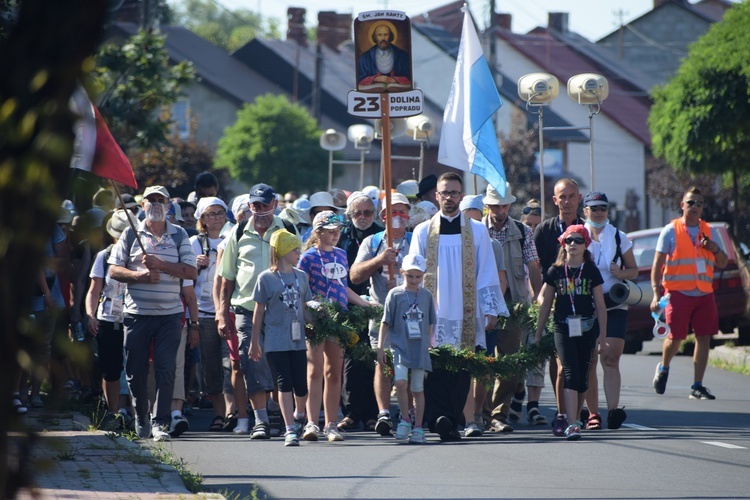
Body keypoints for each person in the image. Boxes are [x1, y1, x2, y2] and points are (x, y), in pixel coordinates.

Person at [410, 172, 507, 441]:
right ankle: (439, 417)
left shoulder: (476, 231)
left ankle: (453, 420)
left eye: (454, 193)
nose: (449, 197)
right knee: (435, 364)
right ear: (436, 196)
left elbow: (487, 269)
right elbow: (413, 268)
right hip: (434, 308)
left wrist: (490, 308)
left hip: (466, 308)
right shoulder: (422, 230)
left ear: (461, 196)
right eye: (445, 192)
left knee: (462, 368)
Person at [108, 185, 197, 441]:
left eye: (161, 200)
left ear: (169, 206)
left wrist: (161, 265)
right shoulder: (130, 234)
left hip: (170, 315)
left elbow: (190, 272)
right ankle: (141, 415)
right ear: (143, 205)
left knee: (166, 368)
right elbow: (114, 270)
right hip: (137, 314)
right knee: (135, 369)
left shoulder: (179, 235)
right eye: (151, 200)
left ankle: (160, 422)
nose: (156, 203)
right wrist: (139, 276)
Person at [218, 183, 295, 440]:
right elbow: (226, 277)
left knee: (278, 362)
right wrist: (221, 312)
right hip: (247, 308)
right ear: (249, 206)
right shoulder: (238, 232)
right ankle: (260, 420)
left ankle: (275, 412)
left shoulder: (286, 229)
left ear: (275, 204)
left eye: (265, 204)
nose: (260, 209)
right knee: (251, 361)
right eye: (255, 205)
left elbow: (298, 269)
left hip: (281, 311)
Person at [298, 211, 371, 442]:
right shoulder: (307, 257)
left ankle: (331, 424)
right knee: (315, 370)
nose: (335, 235)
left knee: (334, 372)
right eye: (330, 231)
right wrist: (312, 309)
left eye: (338, 231)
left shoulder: (341, 255)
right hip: (315, 320)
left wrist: (364, 303)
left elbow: (342, 287)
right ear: (318, 232)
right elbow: (300, 289)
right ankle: (311, 423)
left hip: (339, 320)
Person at [481, 183, 546, 432]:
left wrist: (539, 300)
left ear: (509, 205)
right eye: (495, 205)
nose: (500, 210)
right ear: (487, 206)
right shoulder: (476, 230)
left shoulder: (522, 230)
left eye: (504, 205)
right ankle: (483, 414)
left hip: (514, 305)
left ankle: (499, 414)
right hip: (485, 305)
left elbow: (533, 267)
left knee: (510, 365)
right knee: (485, 362)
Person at [651, 187, 727, 400]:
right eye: (691, 202)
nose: (695, 207)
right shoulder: (670, 230)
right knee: (676, 338)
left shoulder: (709, 231)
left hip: (704, 293)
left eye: (699, 204)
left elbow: (722, 262)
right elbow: (657, 266)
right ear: (682, 205)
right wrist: (657, 294)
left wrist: (714, 248)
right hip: (677, 293)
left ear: (703, 208)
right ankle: (664, 368)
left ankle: (697, 385)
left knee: (704, 338)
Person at [534, 225, 607, 441]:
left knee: (583, 378)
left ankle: (575, 419)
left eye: (578, 240)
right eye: (569, 241)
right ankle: (571, 423)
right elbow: (546, 304)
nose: (573, 244)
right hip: (562, 327)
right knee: (569, 373)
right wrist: (538, 332)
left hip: (586, 328)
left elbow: (601, 306)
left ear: (586, 245)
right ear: (563, 245)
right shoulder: (555, 271)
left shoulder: (591, 271)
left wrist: (602, 335)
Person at [349, 192, 413, 436]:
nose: (398, 217)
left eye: (402, 211)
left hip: (411, 312)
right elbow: (354, 275)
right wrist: (380, 260)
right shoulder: (373, 242)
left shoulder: (416, 239)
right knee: (383, 362)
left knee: (409, 363)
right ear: (384, 216)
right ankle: (384, 412)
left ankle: (409, 413)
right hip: (381, 311)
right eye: (392, 212)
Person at [249, 230, 313, 447]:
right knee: (283, 383)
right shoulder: (265, 278)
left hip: (297, 341)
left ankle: (299, 415)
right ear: (284, 252)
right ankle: (290, 429)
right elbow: (259, 311)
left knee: (301, 385)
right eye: (295, 250)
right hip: (276, 341)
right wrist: (254, 341)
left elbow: (305, 309)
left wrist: (320, 320)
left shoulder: (301, 276)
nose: (299, 253)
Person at [582, 192, 638, 430]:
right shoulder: (576, 235)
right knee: (589, 360)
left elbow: (633, 271)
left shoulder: (618, 236)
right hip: (587, 305)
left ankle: (613, 411)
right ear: (585, 210)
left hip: (614, 303)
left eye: (603, 207)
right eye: (593, 207)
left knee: (610, 357)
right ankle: (593, 413)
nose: (598, 212)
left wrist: (620, 273)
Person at [533, 178, 585, 427]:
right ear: (554, 200)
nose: (566, 201)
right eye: (561, 197)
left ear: (579, 198)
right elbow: (537, 268)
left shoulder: (587, 229)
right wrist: (539, 298)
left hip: (583, 305)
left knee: (583, 362)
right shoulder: (544, 229)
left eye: (571, 196)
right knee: (560, 361)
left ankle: (581, 409)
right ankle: (562, 411)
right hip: (556, 303)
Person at [336, 192, 384, 433]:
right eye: (358, 213)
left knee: (376, 358)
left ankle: (374, 413)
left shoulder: (382, 235)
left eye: (367, 212)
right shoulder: (342, 235)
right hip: (350, 303)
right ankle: (352, 412)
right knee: (353, 360)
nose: (363, 217)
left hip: (378, 303)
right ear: (349, 214)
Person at [458, 193, 505, 436]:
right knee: (462, 365)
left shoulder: (492, 243)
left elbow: (500, 280)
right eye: (467, 216)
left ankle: (477, 413)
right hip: (460, 313)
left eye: (475, 217)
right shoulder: (452, 240)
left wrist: (492, 309)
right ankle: (463, 414)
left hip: (484, 311)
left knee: (483, 367)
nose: (471, 222)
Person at [85, 209, 136, 430]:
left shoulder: (139, 256)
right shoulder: (104, 256)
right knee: (111, 368)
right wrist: (90, 315)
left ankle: (138, 413)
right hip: (108, 317)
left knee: (137, 366)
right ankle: (113, 412)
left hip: (136, 316)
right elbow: (94, 290)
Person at [377, 253, 435, 444]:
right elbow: (386, 322)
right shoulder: (395, 294)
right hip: (400, 347)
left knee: (418, 388)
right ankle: (405, 419)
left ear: (423, 275)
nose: (414, 280)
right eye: (410, 276)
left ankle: (418, 427)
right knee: (401, 383)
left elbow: (430, 322)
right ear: (402, 273)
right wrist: (380, 347)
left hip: (419, 350)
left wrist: (428, 342)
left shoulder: (426, 296)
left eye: (418, 276)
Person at [190, 197, 237, 432]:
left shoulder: (233, 238)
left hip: (230, 310)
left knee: (231, 363)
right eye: (211, 214)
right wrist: (194, 266)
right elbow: (184, 280)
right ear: (202, 219)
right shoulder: (194, 244)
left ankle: (232, 412)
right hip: (204, 311)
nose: (217, 218)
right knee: (210, 365)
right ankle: (218, 413)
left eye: (220, 213)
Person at [357, 23, 412, 91]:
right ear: (375, 37)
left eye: (386, 35)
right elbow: (360, 79)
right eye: (379, 35)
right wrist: (374, 79)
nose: (383, 38)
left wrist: (396, 79)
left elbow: (409, 77)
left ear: (390, 36)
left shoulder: (403, 56)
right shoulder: (364, 58)